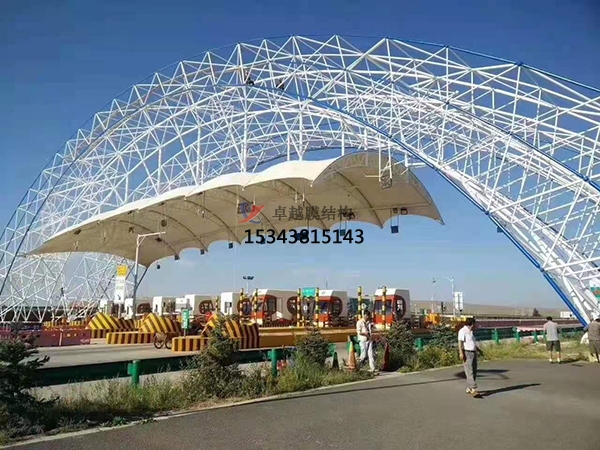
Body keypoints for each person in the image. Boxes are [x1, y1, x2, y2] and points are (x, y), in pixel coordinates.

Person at [458, 317, 483, 397]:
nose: (475, 325)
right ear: (472, 324)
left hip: (473, 352)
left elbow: (472, 343)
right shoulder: (462, 331)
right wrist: (461, 353)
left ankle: (469, 388)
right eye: (474, 324)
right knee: (469, 371)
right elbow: (460, 343)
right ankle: (473, 389)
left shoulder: (471, 332)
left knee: (474, 370)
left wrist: (478, 350)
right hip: (467, 353)